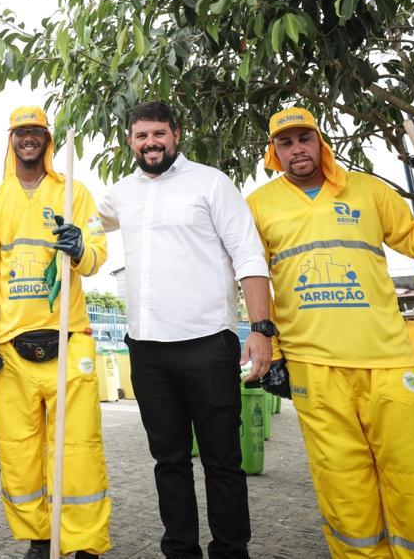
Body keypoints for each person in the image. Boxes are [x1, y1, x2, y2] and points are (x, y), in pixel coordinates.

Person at [245, 107, 414, 558]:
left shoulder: (367, 190)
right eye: (285, 144)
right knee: (342, 484)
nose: (296, 150)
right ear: (274, 153)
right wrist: (268, 340)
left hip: (386, 359)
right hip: (314, 365)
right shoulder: (258, 204)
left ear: (320, 142)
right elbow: (254, 275)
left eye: (304, 139)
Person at [98, 101, 271, 559]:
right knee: (168, 461)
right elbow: (79, 220)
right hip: (147, 351)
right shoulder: (120, 193)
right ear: (130, 142)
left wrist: (260, 329)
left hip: (207, 346)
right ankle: (179, 550)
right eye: (141, 136)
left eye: (158, 134)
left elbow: (249, 256)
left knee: (222, 462)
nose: (150, 143)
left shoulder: (211, 183)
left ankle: (231, 551)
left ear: (176, 133)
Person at [0, 105, 109, 559]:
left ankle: (85, 542)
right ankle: (38, 538)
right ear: (10, 140)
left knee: (78, 449)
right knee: (19, 451)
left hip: (69, 338)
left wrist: (79, 249)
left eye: (36, 133)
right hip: (11, 347)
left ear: (47, 140)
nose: (28, 139)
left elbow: (98, 255)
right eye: (20, 133)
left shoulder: (74, 193)